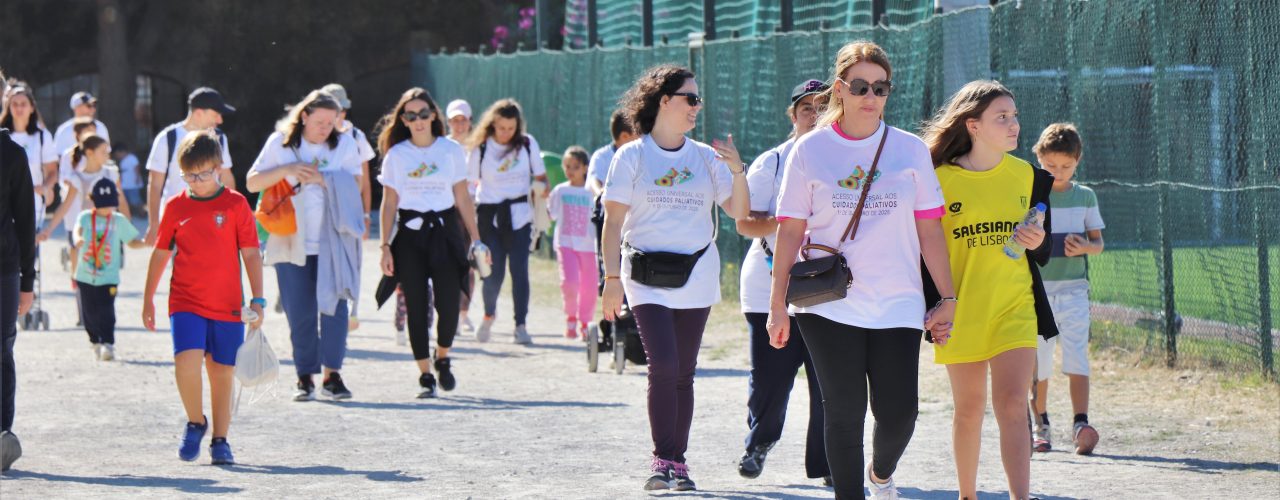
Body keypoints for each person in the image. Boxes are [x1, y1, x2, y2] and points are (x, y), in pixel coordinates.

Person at [768, 42, 959, 499]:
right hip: (828, 301)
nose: (871, 96)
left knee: (900, 414)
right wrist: (777, 305)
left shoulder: (910, 150)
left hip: (899, 299)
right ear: (839, 89)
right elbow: (789, 232)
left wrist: (948, 298)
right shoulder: (810, 150)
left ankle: (881, 474)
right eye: (860, 86)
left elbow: (930, 231)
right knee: (843, 412)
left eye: (880, 87)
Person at [601, 64, 749, 491]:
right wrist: (611, 278)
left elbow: (739, 213)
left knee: (684, 371)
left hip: (697, 275)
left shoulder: (704, 156)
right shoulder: (632, 155)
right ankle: (661, 458)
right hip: (644, 276)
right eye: (691, 98)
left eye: (699, 99)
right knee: (663, 365)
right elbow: (613, 224)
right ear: (664, 101)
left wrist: (737, 171)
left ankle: (677, 464)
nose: (697, 106)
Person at [920, 80, 1057, 500]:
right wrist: (934, 309)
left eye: (1014, 116)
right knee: (968, 410)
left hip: (1015, 307)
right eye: (1002, 117)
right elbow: (923, 251)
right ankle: (968, 495)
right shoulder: (937, 179)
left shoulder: (1030, 176)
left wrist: (1039, 240)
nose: (1014, 125)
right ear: (973, 125)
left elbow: (1043, 250)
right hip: (962, 311)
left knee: (1013, 404)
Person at [141, 130, 265, 466]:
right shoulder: (175, 206)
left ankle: (220, 440)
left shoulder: (236, 204)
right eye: (189, 176)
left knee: (221, 371)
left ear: (219, 167)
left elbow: (251, 253)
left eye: (203, 174)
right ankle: (196, 421)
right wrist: (148, 298)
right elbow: (161, 253)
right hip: (185, 301)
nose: (196, 182)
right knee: (186, 362)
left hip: (228, 305)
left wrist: (259, 300)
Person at [734, 79, 831, 485]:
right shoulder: (772, 161)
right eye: (806, 107)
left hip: (828, 286)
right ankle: (759, 443)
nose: (815, 114)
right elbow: (745, 223)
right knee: (771, 380)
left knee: (829, 383)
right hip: (768, 282)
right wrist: (789, 221)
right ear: (792, 115)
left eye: (823, 105)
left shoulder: (845, 158)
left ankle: (829, 463)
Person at [247, 90, 363, 402]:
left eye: (331, 123)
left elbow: (356, 185)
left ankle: (332, 375)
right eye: (319, 122)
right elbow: (252, 181)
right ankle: (304, 376)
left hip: (333, 239)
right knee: (300, 312)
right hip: (289, 238)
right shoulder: (280, 143)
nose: (325, 128)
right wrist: (287, 170)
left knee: (335, 309)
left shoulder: (345, 145)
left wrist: (325, 179)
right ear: (304, 117)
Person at [375, 87, 483, 398]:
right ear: (403, 120)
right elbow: (389, 202)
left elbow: (462, 196)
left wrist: (476, 239)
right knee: (416, 306)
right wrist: (385, 246)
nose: (418, 120)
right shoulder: (397, 155)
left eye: (423, 113)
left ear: (434, 115)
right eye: (411, 115)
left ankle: (442, 356)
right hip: (410, 235)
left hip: (445, 231)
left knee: (449, 303)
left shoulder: (450, 150)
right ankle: (425, 374)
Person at [1029, 123, 1104, 455]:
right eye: (1051, 165)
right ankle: (1040, 424)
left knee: (1077, 357)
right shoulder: (1031, 192)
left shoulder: (1085, 196)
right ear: (1039, 158)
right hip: (1039, 292)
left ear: (1077, 162)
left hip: (1074, 292)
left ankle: (1080, 423)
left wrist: (1084, 247)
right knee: (1039, 362)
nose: (1058, 172)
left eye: (1066, 166)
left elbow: (1098, 244)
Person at [466, 98, 547, 344]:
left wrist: (541, 190)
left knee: (520, 271)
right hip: (489, 217)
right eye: (501, 128)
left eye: (511, 128)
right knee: (492, 273)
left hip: (520, 217)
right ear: (492, 124)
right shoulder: (481, 148)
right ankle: (488, 315)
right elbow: (469, 187)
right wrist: (471, 226)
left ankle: (520, 325)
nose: (506, 133)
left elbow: (542, 178)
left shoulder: (527, 144)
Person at [144, 87, 237, 245]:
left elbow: (226, 177)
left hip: (211, 221)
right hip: (176, 221)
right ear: (199, 113)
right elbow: (155, 184)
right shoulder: (167, 138)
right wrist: (154, 224)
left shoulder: (220, 138)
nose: (220, 120)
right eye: (216, 114)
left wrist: (231, 215)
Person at [1, 81, 38, 471]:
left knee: (1, 351)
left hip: (3, 269)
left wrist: (28, 282)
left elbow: (26, 221)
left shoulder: (12, 154)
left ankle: (2, 436)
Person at [70, 178, 146, 361]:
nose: (106, 209)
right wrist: (78, 239)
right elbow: (77, 230)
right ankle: (95, 341)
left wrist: (146, 243)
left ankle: (108, 343)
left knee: (106, 310)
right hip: (85, 276)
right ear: (93, 200)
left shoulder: (118, 220)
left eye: (109, 204)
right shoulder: (85, 217)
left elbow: (131, 241)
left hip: (109, 277)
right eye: (102, 204)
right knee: (88, 312)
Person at [548, 146, 596, 339]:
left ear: (585, 168)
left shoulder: (592, 192)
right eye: (567, 166)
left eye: (575, 166)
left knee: (589, 288)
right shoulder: (560, 190)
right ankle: (570, 317)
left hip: (589, 246)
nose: (570, 170)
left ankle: (585, 322)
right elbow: (550, 214)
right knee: (570, 283)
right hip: (566, 244)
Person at [0, 84, 57, 226]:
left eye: (23, 104)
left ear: (32, 108)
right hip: (5, 207)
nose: (19, 108)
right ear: (8, 107)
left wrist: (45, 187)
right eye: (15, 104)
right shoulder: (3, 137)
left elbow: (52, 171)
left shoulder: (42, 136)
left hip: (33, 205)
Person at [445, 98, 477, 335]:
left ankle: (463, 312)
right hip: (447, 210)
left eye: (463, 120)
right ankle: (449, 312)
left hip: (472, 210)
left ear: (470, 121)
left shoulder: (477, 148)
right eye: (454, 120)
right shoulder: (442, 147)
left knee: (469, 265)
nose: (459, 125)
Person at [112, 143, 144, 213]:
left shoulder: (132, 158)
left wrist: (137, 178)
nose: (117, 156)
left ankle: (142, 212)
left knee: (136, 200)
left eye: (117, 154)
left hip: (132, 184)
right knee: (126, 201)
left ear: (121, 151)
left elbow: (137, 167)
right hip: (125, 185)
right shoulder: (123, 161)